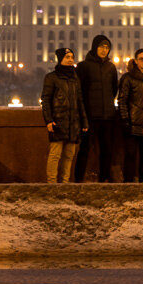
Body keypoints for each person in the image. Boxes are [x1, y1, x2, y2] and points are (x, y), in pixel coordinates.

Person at [74, 34, 119, 182]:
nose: (104, 50)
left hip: (107, 117)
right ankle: (78, 179)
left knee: (107, 149)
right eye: (101, 47)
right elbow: (79, 91)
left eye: (107, 47)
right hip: (90, 116)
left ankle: (104, 178)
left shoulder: (111, 67)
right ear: (95, 47)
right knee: (85, 149)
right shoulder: (83, 66)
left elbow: (114, 89)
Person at [41, 47, 88, 183]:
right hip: (58, 122)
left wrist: (84, 121)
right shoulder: (51, 77)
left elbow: (80, 101)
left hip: (74, 122)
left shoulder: (75, 78)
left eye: (72, 57)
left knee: (69, 155)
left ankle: (65, 183)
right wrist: (48, 120)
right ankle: (52, 184)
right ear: (60, 59)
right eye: (67, 57)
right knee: (55, 155)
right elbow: (46, 100)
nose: (70, 60)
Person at [116, 48, 143, 182]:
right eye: (142, 59)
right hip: (133, 123)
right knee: (130, 155)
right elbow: (122, 100)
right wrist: (125, 119)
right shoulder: (128, 78)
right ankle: (128, 183)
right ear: (136, 61)